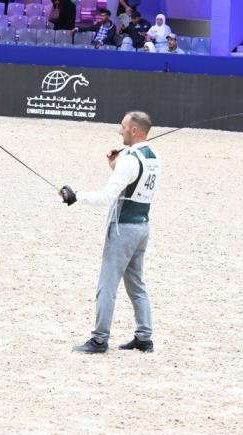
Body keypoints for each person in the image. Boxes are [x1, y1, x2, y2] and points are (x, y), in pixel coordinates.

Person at [59, 111, 162, 354]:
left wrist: (76, 196)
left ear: (135, 130)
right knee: (136, 284)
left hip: (122, 228)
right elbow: (133, 184)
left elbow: (107, 197)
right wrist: (115, 167)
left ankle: (99, 339)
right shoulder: (156, 156)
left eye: (123, 126)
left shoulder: (129, 159)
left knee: (107, 285)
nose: (120, 130)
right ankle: (144, 336)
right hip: (142, 227)